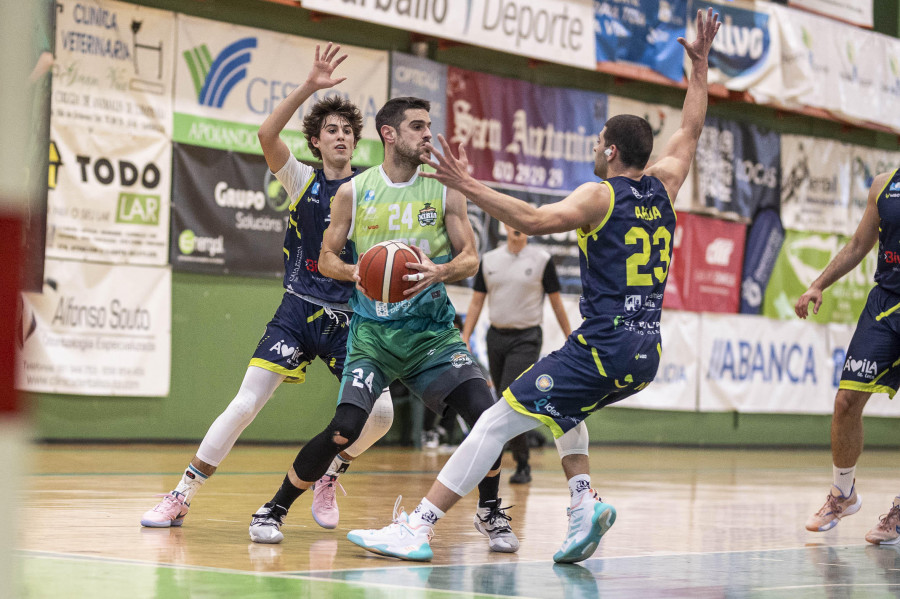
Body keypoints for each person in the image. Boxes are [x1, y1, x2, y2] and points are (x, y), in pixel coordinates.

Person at [346, 8, 720, 563]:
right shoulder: (666, 184)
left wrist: (464, 182)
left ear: (611, 151)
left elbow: (535, 218)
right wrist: (700, 70)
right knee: (567, 410)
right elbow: (690, 128)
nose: (596, 149)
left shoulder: (602, 194)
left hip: (603, 346)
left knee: (494, 422)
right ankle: (581, 502)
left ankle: (417, 528)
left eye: (599, 143)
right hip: (645, 351)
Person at [246, 96, 519, 556]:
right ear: (389, 134)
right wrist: (356, 272)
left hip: (432, 336)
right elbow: (327, 256)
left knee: (486, 415)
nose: (428, 134)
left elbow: (470, 257)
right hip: (373, 335)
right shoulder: (355, 190)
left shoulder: (443, 188)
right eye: (418, 126)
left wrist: (441, 271)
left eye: (430, 126)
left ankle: (490, 511)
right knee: (344, 428)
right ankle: (274, 507)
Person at [140, 44, 393, 531]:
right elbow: (266, 133)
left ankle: (329, 472)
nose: (340, 136)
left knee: (380, 414)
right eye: (330, 131)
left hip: (350, 320)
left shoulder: (371, 189)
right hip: (298, 311)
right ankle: (181, 495)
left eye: (347, 131)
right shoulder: (302, 181)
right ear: (316, 143)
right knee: (245, 403)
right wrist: (310, 86)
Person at [796, 167, 900, 546]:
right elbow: (859, 244)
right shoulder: (885, 184)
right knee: (846, 402)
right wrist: (818, 284)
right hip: (885, 304)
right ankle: (843, 493)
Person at [461, 226, 572, 483]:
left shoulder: (542, 260)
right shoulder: (489, 260)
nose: (517, 228)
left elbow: (556, 302)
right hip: (496, 337)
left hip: (527, 338)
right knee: (504, 400)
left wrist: (570, 337)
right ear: (505, 227)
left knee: (509, 396)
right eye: (512, 223)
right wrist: (465, 337)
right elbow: (477, 301)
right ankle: (520, 460)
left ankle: (515, 462)